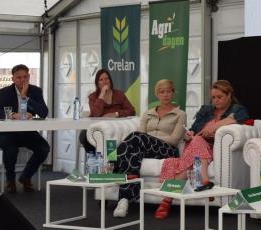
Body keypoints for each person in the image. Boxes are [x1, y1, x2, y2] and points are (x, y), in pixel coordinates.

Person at [149, 79, 250, 220]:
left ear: (229, 95)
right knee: (196, 139)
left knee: (191, 150)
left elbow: (242, 119)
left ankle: (167, 200)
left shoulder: (237, 109)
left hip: (214, 149)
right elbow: (193, 130)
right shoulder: (206, 110)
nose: (216, 100)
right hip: (196, 148)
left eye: (220, 97)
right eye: (213, 97)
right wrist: (188, 135)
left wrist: (214, 126)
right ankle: (204, 180)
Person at [112, 79, 186, 218]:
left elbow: (175, 139)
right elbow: (140, 135)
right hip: (146, 147)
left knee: (136, 137)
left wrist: (151, 138)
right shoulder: (148, 113)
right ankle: (124, 200)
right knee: (133, 150)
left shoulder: (180, 114)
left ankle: (114, 165)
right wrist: (146, 139)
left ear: (173, 93)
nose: (165, 95)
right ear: (157, 94)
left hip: (167, 149)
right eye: (162, 92)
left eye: (168, 91)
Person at [0, 64, 50, 193]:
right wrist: (12, 115)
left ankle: (25, 177)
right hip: (7, 132)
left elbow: (44, 113)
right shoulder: (5, 92)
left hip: (26, 132)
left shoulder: (35, 91)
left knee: (44, 148)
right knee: (11, 148)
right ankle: (10, 181)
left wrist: (25, 98)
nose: (23, 80)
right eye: (19, 77)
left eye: (25, 77)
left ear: (29, 77)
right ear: (13, 79)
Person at [78, 68, 136, 154]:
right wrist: (101, 95)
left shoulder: (119, 94)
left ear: (110, 80)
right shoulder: (93, 97)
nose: (104, 81)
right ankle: (96, 160)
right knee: (84, 135)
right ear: (98, 84)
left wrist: (116, 114)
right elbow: (95, 114)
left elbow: (131, 111)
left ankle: (110, 164)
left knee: (110, 138)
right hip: (98, 128)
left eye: (106, 78)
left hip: (115, 127)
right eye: (101, 80)